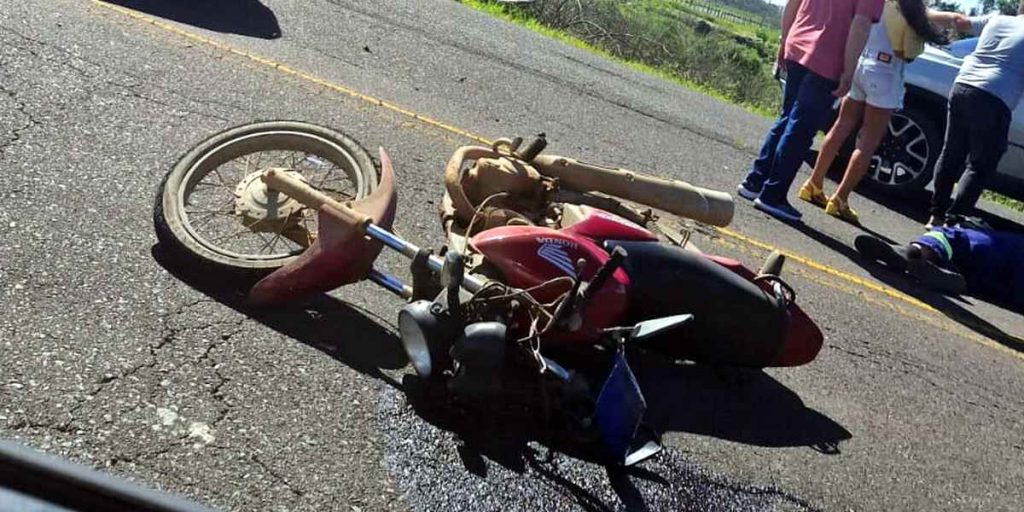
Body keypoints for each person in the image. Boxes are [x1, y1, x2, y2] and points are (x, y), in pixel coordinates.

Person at [798, 1, 968, 224]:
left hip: (862, 63)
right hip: (885, 71)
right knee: (868, 141)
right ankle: (840, 198)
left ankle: (814, 183)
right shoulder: (911, 8)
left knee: (841, 125)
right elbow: (947, 20)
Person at [738, 0, 884, 223]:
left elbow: (793, 3)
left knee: (787, 118)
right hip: (827, 57)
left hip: (798, 42)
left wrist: (784, 39)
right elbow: (861, 23)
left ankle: (755, 182)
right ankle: (773, 195)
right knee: (801, 128)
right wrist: (849, 68)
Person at [928, 2, 1024, 229]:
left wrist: (924, 14)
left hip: (963, 84)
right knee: (981, 164)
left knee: (951, 152)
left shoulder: (998, 20)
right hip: (994, 97)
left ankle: (936, 216)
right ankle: (954, 221)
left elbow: (958, 21)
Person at [854, 226, 1024, 310]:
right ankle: (950, 276)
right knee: (973, 265)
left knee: (949, 238)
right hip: (995, 275)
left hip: (989, 253)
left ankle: (915, 253)